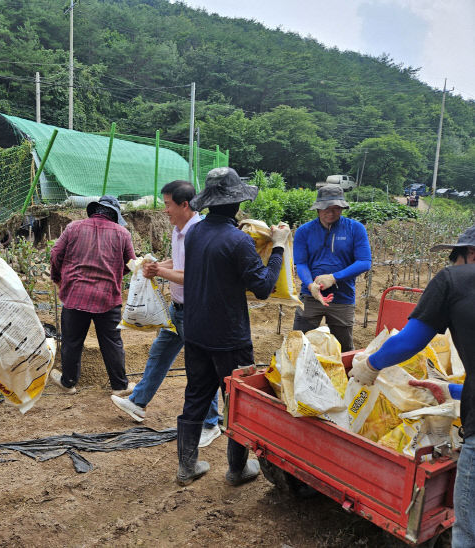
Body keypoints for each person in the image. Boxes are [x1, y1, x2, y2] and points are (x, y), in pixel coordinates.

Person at [350, 225, 475, 548]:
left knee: (468, 531)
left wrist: (370, 365)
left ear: (470, 253)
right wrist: (452, 391)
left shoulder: (454, 280)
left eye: (456, 258)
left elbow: (409, 342)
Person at [177, 167, 290, 486]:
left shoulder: (195, 231)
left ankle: (186, 466)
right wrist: (278, 247)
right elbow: (264, 287)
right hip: (229, 338)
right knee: (239, 403)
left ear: (209, 202)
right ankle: (237, 470)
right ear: (237, 202)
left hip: (197, 331)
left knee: (196, 397)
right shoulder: (239, 241)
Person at [111, 180, 222, 448]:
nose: (165, 210)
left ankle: (211, 422)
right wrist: (158, 265)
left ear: (185, 205)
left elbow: (193, 275)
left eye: (168, 204)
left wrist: (159, 272)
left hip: (196, 312)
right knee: (160, 354)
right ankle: (138, 402)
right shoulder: (179, 230)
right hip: (178, 309)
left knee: (202, 368)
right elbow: (180, 264)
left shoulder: (198, 232)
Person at [49, 195, 136, 396]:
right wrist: (115, 275)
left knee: (72, 341)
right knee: (112, 342)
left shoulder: (74, 228)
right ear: (114, 214)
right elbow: (131, 263)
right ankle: (119, 386)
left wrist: (58, 277)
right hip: (108, 298)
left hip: (75, 295)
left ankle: (69, 383)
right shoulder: (122, 233)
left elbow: (55, 254)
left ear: (95, 210)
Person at [292, 184, 371, 352]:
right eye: (325, 207)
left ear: (342, 208)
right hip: (310, 296)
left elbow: (364, 262)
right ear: (318, 209)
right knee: (298, 345)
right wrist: (310, 284)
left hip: (342, 297)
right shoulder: (304, 231)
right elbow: (301, 263)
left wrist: (334, 277)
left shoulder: (355, 229)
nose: (330, 212)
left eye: (336, 208)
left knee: (343, 348)